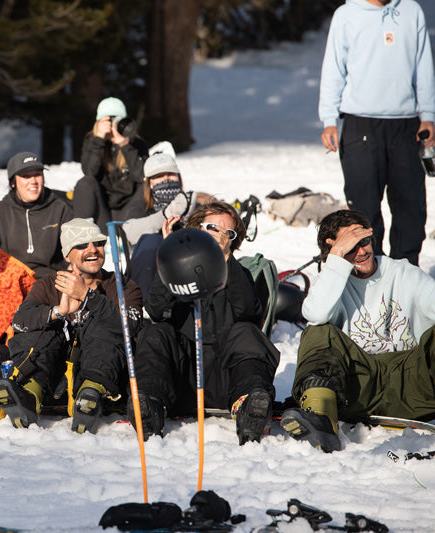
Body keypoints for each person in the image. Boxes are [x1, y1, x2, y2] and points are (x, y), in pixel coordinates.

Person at [282, 209, 435, 453]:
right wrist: (336, 261)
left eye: (364, 241)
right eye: (351, 246)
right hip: (356, 389)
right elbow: (315, 314)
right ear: (334, 252)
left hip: (411, 386)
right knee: (318, 333)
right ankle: (320, 419)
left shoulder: (403, 273)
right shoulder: (331, 281)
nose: (362, 251)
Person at [131, 201, 280, 445]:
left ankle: (250, 407)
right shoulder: (174, 268)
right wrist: (171, 255)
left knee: (247, 332)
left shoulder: (237, 273)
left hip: (226, 380)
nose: (220, 236)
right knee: (156, 332)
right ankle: (149, 404)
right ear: (195, 229)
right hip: (181, 380)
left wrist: (224, 258)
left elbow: (248, 314)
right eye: (213, 227)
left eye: (228, 233)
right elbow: (156, 309)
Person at [0, 217, 142, 434]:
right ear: (67, 255)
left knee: (105, 325)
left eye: (98, 243)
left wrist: (89, 299)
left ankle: (89, 400)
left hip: (101, 374)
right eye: (81, 245)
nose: (93, 249)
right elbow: (20, 321)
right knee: (43, 330)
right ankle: (28, 398)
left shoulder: (123, 286)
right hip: (53, 374)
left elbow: (132, 326)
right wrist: (57, 312)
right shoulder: (49, 284)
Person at [318, 0, 435, 266]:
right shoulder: (346, 15)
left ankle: (407, 274)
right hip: (361, 125)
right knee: (364, 209)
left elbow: (423, 66)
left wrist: (428, 115)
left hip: (407, 125)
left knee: (410, 206)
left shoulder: (410, 10)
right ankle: (370, 276)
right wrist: (329, 118)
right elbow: (333, 68)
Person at [0, 152, 73, 279]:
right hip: (11, 281)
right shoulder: (0, 211)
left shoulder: (59, 208)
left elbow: (78, 245)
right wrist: (4, 271)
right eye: (26, 176)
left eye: (37, 175)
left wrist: (73, 264)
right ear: (13, 183)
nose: (33, 181)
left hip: (50, 280)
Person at [120, 151, 199, 296]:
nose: (166, 179)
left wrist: (187, 219)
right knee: (152, 240)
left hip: (186, 272)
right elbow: (128, 232)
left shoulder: (190, 203)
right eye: (158, 176)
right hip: (148, 272)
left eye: (171, 174)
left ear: (179, 178)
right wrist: (166, 215)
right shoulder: (140, 205)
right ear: (148, 182)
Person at [74, 97, 149, 229]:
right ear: (99, 123)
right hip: (103, 209)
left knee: (147, 184)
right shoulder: (92, 142)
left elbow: (142, 176)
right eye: (109, 121)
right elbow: (89, 173)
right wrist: (99, 140)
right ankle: (82, 238)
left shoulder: (136, 144)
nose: (113, 125)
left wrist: (125, 146)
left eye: (117, 121)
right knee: (85, 183)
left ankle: (130, 237)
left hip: (129, 210)